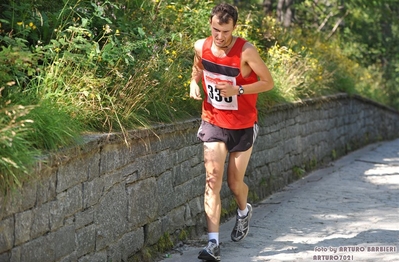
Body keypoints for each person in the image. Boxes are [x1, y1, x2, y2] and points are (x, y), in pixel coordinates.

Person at [189, 3, 274, 261]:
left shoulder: (246, 51)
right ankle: (213, 243)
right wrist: (193, 82)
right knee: (212, 180)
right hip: (213, 120)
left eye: (225, 31)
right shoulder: (200, 46)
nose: (220, 36)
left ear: (234, 28)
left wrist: (238, 90)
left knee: (234, 184)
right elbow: (198, 67)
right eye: (215, 29)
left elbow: (268, 82)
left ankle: (243, 211)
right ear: (210, 25)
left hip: (243, 124)